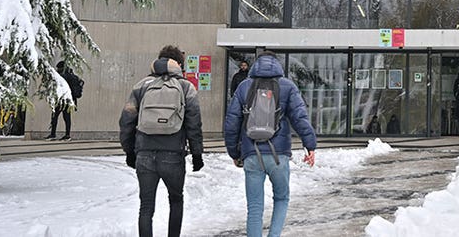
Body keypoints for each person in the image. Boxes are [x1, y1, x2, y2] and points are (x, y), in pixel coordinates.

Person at [225, 51, 317, 237]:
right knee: (282, 198)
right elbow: (300, 118)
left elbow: (231, 122)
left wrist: (234, 152)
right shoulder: (287, 86)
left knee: (255, 207)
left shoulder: (244, 87)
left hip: (251, 154)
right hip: (279, 155)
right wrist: (310, 145)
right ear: (277, 65)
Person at [119, 45, 204, 237]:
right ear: (179, 65)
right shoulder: (186, 87)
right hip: (173, 155)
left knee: (146, 206)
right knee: (176, 200)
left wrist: (130, 152)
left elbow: (127, 120)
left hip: (145, 154)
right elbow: (194, 123)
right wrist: (197, 153)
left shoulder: (141, 85)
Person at [47, 60, 84, 140]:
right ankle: (67, 135)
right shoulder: (72, 75)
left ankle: (53, 134)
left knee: (55, 116)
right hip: (69, 100)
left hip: (61, 100)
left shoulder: (62, 76)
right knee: (66, 118)